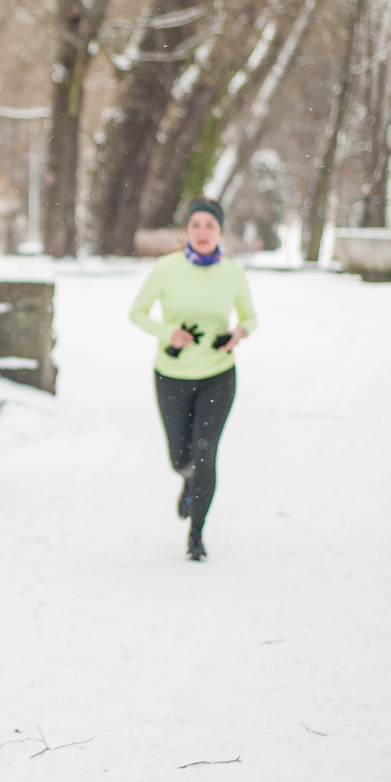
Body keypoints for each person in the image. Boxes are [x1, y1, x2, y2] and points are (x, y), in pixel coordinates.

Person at [129, 198, 257, 561]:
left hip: (218, 375)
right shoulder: (166, 269)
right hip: (172, 375)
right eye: (196, 225)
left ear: (220, 231)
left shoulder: (233, 273)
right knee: (179, 457)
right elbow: (137, 313)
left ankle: (196, 536)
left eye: (210, 226)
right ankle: (187, 479)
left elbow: (250, 317)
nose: (203, 232)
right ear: (187, 229)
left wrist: (238, 333)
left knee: (205, 453)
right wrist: (167, 332)